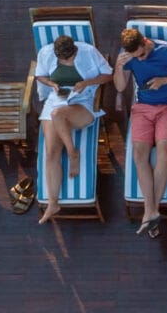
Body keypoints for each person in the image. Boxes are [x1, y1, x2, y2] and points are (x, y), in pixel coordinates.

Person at [117, 25, 167, 237]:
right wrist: (119, 66)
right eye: (136, 57)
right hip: (143, 108)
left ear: (145, 41)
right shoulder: (128, 56)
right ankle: (151, 211)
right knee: (139, 155)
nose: (140, 59)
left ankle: (149, 212)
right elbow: (119, 87)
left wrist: (165, 80)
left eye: (142, 55)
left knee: (164, 151)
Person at [30, 33, 111, 225]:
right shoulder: (46, 53)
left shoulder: (88, 51)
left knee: (57, 114)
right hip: (56, 99)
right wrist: (52, 84)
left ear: (75, 50)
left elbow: (108, 75)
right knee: (51, 153)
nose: (67, 61)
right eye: (62, 59)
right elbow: (40, 75)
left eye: (70, 58)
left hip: (82, 101)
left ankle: (72, 152)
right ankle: (53, 203)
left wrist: (86, 83)